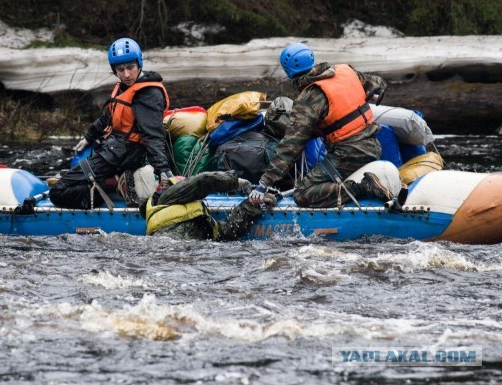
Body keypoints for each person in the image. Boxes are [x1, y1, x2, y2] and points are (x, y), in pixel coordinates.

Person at [249, 42, 393, 208]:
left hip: (350, 153)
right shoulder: (344, 70)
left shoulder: (309, 97)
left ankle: (362, 188)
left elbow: (291, 146)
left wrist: (264, 183)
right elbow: (378, 83)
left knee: (303, 193)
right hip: (373, 144)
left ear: (289, 72)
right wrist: (372, 94)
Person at [50, 37, 173, 209]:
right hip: (115, 149)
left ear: (139, 64)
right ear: (114, 69)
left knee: (58, 192)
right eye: (120, 69)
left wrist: (163, 171)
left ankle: (105, 190)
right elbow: (110, 114)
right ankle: (111, 182)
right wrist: (89, 136)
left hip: (127, 154)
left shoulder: (148, 95)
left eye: (130, 67)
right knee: (75, 175)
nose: (126, 74)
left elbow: (153, 135)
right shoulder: (125, 86)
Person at [141, 171, 271, 241]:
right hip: (169, 251)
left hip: (189, 255)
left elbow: (225, 232)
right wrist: (239, 182)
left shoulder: (198, 216)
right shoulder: (167, 197)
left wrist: (252, 204)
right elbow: (204, 181)